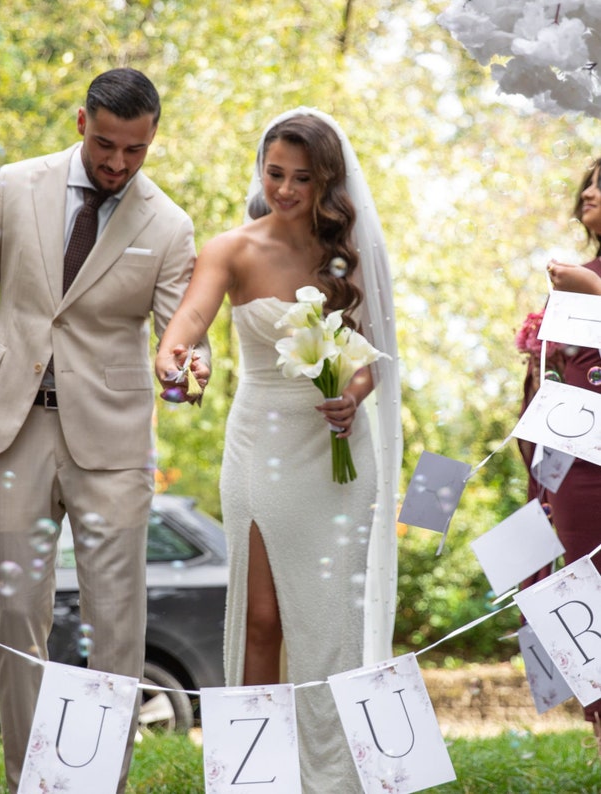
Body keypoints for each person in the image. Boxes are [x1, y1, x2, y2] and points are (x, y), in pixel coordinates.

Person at [0, 68, 208, 793]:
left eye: (135, 151)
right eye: (107, 144)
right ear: (82, 121)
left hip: (112, 445)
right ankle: (29, 779)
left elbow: (184, 331)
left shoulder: (170, 225)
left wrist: (189, 369)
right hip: (12, 426)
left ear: (152, 140)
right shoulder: (15, 185)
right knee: (16, 607)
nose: (117, 164)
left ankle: (98, 781)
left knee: (115, 620)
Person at [155, 108, 401, 792]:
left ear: (327, 179)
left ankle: (334, 778)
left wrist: (351, 396)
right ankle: (255, 780)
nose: (287, 188)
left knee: (331, 623)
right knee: (262, 618)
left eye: (302, 177)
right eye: (275, 173)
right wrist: (174, 355)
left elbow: (373, 353)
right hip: (261, 441)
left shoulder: (350, 252)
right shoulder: (231, 248)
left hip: (338, 453)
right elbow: (190, 321)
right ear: (260, 170)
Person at [518, 157, 601, 750]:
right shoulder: (575, 277)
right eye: (589, 183)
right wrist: (539, 357)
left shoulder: (586, 282)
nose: (590, 192)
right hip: (579, 466)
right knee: (585, 598)